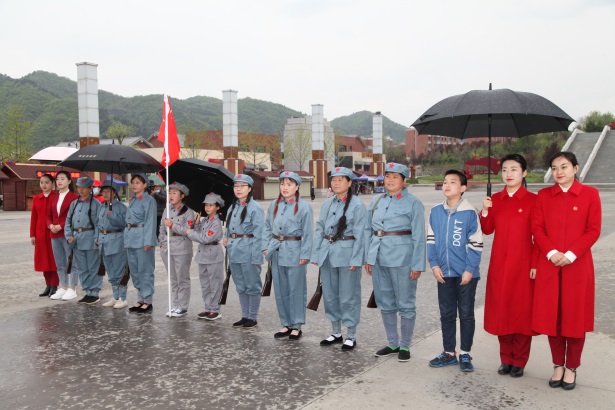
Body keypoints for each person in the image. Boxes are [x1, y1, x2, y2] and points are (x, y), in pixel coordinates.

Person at [532, 151, 602, 391]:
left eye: (563, 166)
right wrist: (552, 253)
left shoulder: (590, 194)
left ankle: (571, 366)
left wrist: (571, 254)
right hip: (550, 264)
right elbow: (537, 229)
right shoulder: (543, 196)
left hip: (578, 266)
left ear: (576, 168)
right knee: (553, 317)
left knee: (575, 318)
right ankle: (557, 365)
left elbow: (593, 230)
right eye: (554, 168)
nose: (558, 172)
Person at [480, 154, 538, 378]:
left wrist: (535, 264)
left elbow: (539, 236)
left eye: (514, 169)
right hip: (499, 265)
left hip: (523, 265)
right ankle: (506, 358)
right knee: (502, 311)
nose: (508, 174)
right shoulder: (495, 199)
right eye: (504, 169)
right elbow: (487, 229)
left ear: (524, 173)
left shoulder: (533, 200)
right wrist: (486, 210)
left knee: (521, 313)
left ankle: (520, 360)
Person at [364, 163, 425, 362]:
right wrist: (368, 257)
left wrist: (417, 264)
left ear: (404, 181)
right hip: (379, 258)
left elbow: (419, 236)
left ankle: (405, 346)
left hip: (403, 259)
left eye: (395, 177)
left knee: (406, 303)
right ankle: (392, 343)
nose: (390, 180)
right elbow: (368, 230)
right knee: (385, 302)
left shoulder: (413, 203)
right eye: (387, 176)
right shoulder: (376, 201)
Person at [427, 169, 483, 372]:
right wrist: (434, 265)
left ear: (463, 188)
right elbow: (431, 241)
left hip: (466, 275)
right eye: (444, 182)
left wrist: (469, 270)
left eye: (452, 182)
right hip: (443, 273)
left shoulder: (470, 212)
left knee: (466, 314)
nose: (447, 185)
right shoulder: (435, 211)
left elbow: (476, 244)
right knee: (447, 314)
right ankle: (449, 352)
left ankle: (465, 353)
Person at [311, 167, 366, 350]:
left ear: (349, 183)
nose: (336, 183)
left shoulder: (357, 205)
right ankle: (336, 332)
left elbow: (361, 234)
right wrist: (316, 254)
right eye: (334, 180)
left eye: (340, 180)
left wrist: (356, 259)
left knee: (349, 296)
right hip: (327, 253)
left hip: (347, 255)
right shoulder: (327, 204)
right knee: (330, 295)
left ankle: (351, 335)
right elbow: (320, 229)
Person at [264, 171, 313, 340]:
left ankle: (297, 325)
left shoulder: (304, 207)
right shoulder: (274, 205)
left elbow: (308, 233)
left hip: (295, 252)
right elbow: (267, 226)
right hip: (277, 251)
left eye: (289, 184)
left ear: (297, 187)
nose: (285, 187)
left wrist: (305, 254)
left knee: (296, 290)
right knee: (281, 289)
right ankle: (286, 323)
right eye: (282, 183)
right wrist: (265, 246)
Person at [223, 174, 264, 328]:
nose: (238, 189)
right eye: (236, 186)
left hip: (248, 250)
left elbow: (259, 234)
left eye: (242, 186)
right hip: (234, 250)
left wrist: (257, 257)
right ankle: (244, 315)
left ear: (250, 188)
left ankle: (252, 317)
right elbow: (228, 227)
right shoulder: (232, 207)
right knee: (240, 284)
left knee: (252, 285)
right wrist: (226, 237)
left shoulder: (255, 208)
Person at [159, 181, 195, 318]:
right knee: (173, 279)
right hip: (167, 247)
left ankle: (182, 307)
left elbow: (187, 230)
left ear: (182, 196)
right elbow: (161, 228)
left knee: (182, 278)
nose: (171, 195)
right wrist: (162, 242)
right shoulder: (167, 210)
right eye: (169, 193)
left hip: (182, 248)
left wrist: (172, 225)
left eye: (174, 193)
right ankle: (175, 305)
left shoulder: (188, 212)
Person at [187, 192, 225, 320]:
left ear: (217, 207)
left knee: (215, 284)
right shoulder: (205, 220)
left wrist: (190, 232)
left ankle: (215, 309)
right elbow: (199, 233)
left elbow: (205, 238)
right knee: (205, 284)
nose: (207, 208)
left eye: (211, 205)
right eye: (206, 205)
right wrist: (197, 222)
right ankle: (208, 307)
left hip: (213, 255)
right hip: (203, 254)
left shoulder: (216, 222)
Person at [65, 177, 103, 304]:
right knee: (82, 268)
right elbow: (68, 221)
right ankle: (87, 291)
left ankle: (95, 292)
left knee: (93, 267)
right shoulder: (74, 204)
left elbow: (99, 223)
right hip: (77, 239)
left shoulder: (96, 204)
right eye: (79, 187)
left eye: (84, 187)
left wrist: (97, 239)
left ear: (90, 188)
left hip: (91, 238)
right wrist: (68, 235)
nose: (81, 190)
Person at [124, 173, 157, 314]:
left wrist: (148, 241)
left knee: (145, 270)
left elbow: (150, 221)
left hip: (143, 239)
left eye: (138, 182)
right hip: (131, 239)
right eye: (133, 182)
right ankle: (140, 299)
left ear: (145, 185)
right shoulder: (133, 200)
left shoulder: (149, 200)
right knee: (135, 271)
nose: (134, 185)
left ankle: (147, 300)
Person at [47, 171, 80, 301]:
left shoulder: (74, 197)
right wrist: (50, 225)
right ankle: (64, 286)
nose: (59, 181)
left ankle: (73, 288)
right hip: (54, 234)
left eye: (62, 179)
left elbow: (74, 216)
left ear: (69, 181)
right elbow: (48, 215)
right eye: (57, 179)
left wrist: (61, 225)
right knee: (59, 262)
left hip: (67, 234)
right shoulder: (53, 197)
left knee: (71, 262)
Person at [96, 180, 129, 309]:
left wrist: (113, 216)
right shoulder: (101, 206)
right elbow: (98, 224)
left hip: (117, 241)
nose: (105, 194)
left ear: (114, 193)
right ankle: (115, 296)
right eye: (103, 191)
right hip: (104, 242)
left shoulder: (121, 207)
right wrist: (97, 238)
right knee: (110, 271)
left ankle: (123, 298)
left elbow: (125, 224)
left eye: (108, 191)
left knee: (119, 270)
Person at [30, 173, 59, 297]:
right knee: (43, 260)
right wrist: (33, 234)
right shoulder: (36, 198)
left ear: (52, 184)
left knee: (54, 259)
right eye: (41, 182)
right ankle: (48, 285)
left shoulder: (57, 197)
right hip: (40, 234)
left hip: (53, 232)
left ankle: (55, 285)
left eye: (47, 182)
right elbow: (34, 218)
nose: (44, 185)